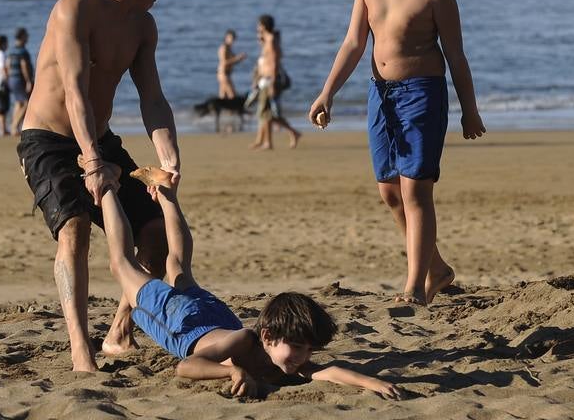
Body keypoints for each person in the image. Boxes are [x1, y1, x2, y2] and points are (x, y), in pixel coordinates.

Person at [15, 0, 181, 373]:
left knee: (156, 236)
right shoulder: (76, 7)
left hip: (100, 137)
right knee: (75, 229)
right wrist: (90, 160)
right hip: (49, 139)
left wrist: (168, 159)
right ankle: (80, 350)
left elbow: (152, 97)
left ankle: (120, 328)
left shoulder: (142, 26)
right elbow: (75, 91)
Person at [307, 0, 486, 306]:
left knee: (416, 191)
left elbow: (456, 56)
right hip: (380, 94)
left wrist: (469, 109)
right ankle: (437, 268)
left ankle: (414, 288)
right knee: (389, 191)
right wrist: (327, 92)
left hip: (423, 93)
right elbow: (354, 43)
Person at [101, 166, 401, 400]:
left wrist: (371, 382)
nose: (302, 357)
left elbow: (329, 371)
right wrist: (230, 372)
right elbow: (187, 366)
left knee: (178, 266)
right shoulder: (246, 341)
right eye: (297, 347)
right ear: (268, 335)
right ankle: (108, 188)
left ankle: (166, 193)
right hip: (181, 322)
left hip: (213, 315)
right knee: (123, 265)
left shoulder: (287, 360)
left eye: (308, 349)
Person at [249, 15, 301, 150]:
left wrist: (272, 82)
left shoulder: (271, 40)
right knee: (266, 114)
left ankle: (280, 137)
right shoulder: (267, 39)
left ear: (264, 26)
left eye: (259, 25)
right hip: (264, 80)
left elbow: (274, 62)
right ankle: (266, 141)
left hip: (270, 80)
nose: (257, 27)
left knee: (268, 114)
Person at [6, 27, 35, 132]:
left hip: (12, 78)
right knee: (27, 103)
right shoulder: (23, 51)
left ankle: (14, 127)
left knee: (18, 102)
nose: (28, 37)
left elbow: (7, 64)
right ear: (22, 36)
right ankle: (14, 125)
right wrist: (28, 81)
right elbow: (24, 66)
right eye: (26, 35)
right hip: (20, 79)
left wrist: (8, 78)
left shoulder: (11, 50)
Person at [216, 29, 247, 99]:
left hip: (227, 74)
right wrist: (237, 58)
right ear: (226, 38)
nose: (232, 40)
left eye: (233, 38)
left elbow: (232, 62)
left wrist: (240, 59)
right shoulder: (224, 48)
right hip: (223, 74)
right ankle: (233, 109)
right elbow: (224, 62)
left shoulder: (229, 48)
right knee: (232, 95)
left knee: (223, 97)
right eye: (231, 38)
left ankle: (222, 109)